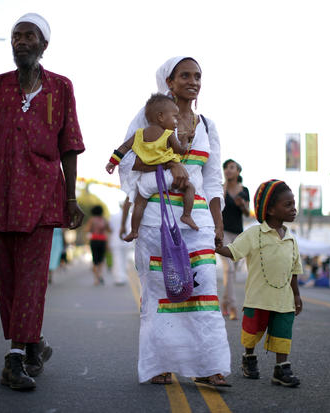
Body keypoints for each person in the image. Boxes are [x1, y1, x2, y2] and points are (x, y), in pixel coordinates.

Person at [0, 12, 85, 391]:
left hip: (44, 197)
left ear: (43, 45)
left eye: (29, 36)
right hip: (1, 197)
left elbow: (70, 147)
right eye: (16, 36)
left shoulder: (61, 88)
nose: (21, 42)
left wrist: (71, 197)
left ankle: (14, 361)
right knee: (9, 281)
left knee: (31, 281)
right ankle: (35, 346)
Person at [118, 57, 231, 386]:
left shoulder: (208, 126)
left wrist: (218, 222)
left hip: (197, 220)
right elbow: (127, 161)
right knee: (161, 292)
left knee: (204, 289)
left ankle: (208, 366)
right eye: (185, 75)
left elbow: (212, 179)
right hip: (155, 217)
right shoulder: (149, 117)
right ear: (169, 81)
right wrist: (169, 168)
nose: (193, 81)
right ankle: (161, 363)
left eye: (198, 76)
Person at [216, 179, 303, 387]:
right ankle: (249, 358)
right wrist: (218, 247)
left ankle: (281, 369)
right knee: (251, 333)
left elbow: (294, 271)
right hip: (258, 298)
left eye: (294, 204)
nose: (294, 209)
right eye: (288, 205)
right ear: (271, 210)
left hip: (284, 300)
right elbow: (234, 252)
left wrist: (297, 296)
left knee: (283, 333)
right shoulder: (254, 233)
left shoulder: (291, 239)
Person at [107, 93, 198, 241]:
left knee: (140, 203)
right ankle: (187, 215)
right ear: (161, 117)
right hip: (168, 174)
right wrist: (187, 139)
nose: (176, 121)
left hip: (148, 179)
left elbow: (123, 148)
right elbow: (180, 150)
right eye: (174, 117)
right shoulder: (168, 134)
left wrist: (112, 162)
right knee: (190, 187)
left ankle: (134, 230)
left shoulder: (138, 134)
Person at [220, 159, 250, 320]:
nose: (228, 170)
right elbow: (217, 206)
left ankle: (224, 302)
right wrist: (224, 186)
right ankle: (232, 306)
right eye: (226, 168)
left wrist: (242, 205)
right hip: (223, 232)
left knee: (233, 272)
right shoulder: (221, 188)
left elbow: (247, 213)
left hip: (238, 235)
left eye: (232, 167)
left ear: (238, 171)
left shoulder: (244, 190)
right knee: (229, 269)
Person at [84, 205, 110, 285]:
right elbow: (109, 230)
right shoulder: (104, 220)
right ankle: (100, 274)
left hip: (94, 240)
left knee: (95, 259)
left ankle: (96, 279)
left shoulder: (91, 220)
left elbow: (87, 230)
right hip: (102, 240)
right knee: (101, 259)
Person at [108, 198, 131, 285]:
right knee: (125, 259)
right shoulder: (130, 215)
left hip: (116, 239)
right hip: (126, 240)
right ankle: (124, 277)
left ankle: (119, 278)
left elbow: (110, 228)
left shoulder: (113, 216)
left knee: (117, 259)